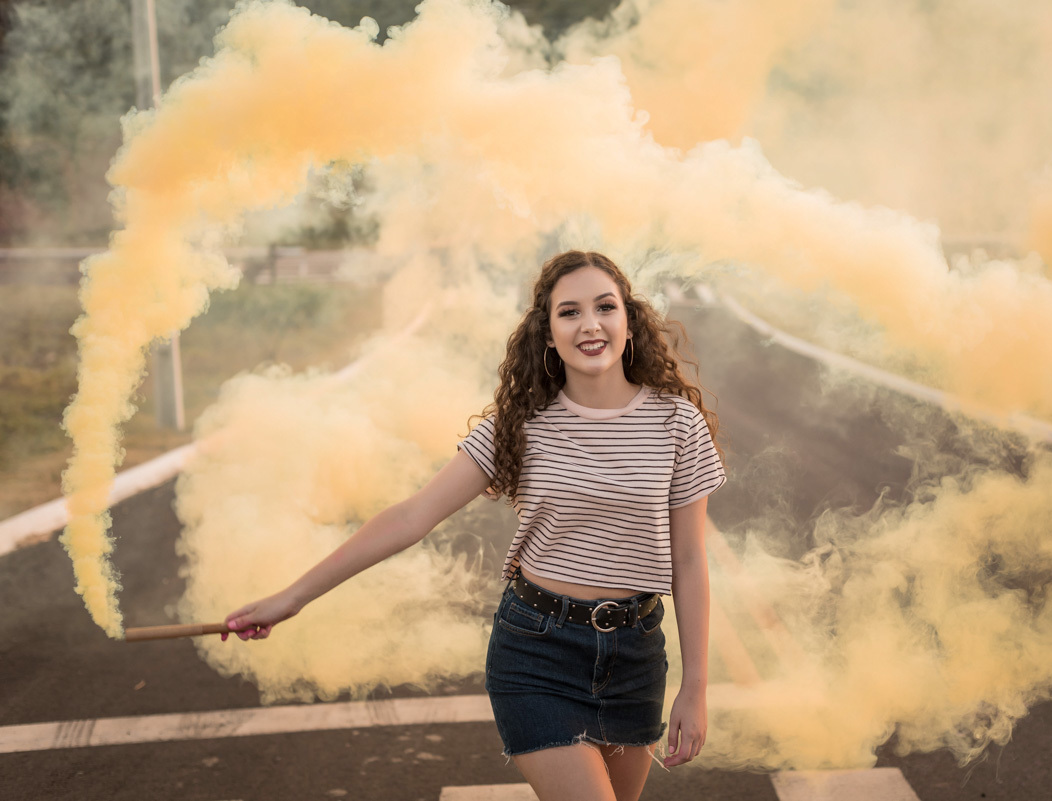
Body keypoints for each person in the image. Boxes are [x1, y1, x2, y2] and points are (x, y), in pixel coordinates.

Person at [223, 250, 727, 801]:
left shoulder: (677, 422)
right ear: (547, 334)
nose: (590, 324)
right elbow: (411, 517)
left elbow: (690, 561)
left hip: (636, 657)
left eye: (605, 307)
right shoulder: (520, 425)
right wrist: (292, 597)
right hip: (539, 652)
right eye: (569, 312)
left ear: (628, 322)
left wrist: (695, 687)